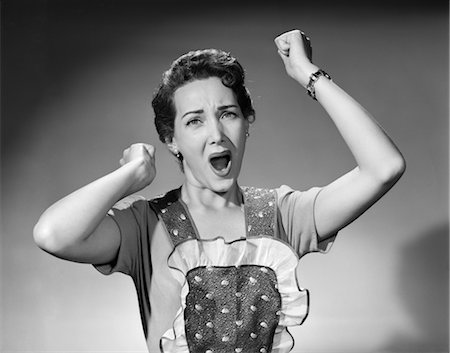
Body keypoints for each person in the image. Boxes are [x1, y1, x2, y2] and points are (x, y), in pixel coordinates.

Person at [33, 29, 405, 353]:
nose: (216, 134)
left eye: (228, 114)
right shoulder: (145, 225)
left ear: (247, 123)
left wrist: (309, 75)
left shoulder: (284, 214)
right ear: (171, 140)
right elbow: (53, 235)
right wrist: (130, 176)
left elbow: (384, 168)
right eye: (194, 121)